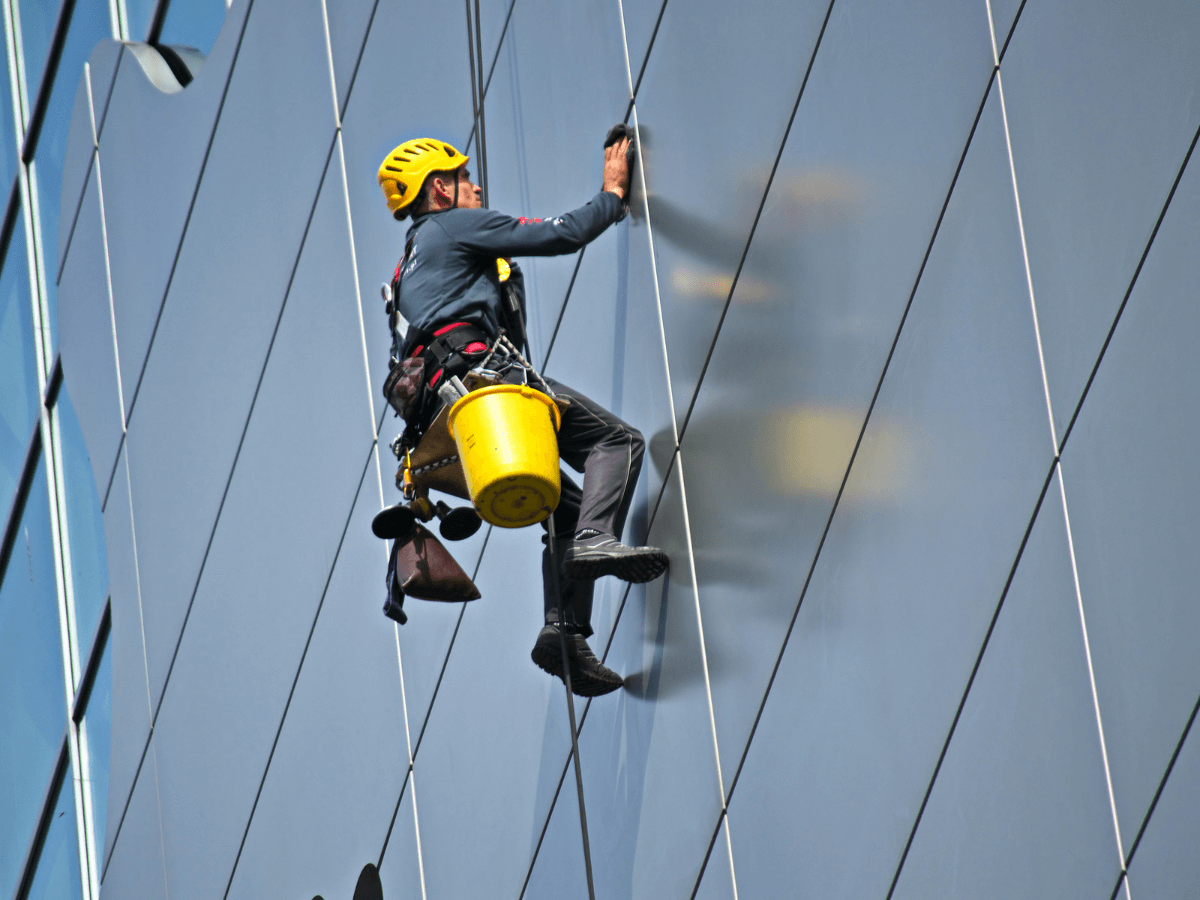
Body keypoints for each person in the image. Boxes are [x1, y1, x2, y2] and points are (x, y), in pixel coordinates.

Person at [376, 132, 667, 697]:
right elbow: (560, 235)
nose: (476, 186)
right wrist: (611, 195)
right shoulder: (450, 226)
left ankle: (563, 634)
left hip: (447, 417)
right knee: (618, 442)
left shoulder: (407, 267)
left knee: (567, 505)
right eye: (464, 178)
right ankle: (595, 541)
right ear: (440, 189)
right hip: (486, 384)